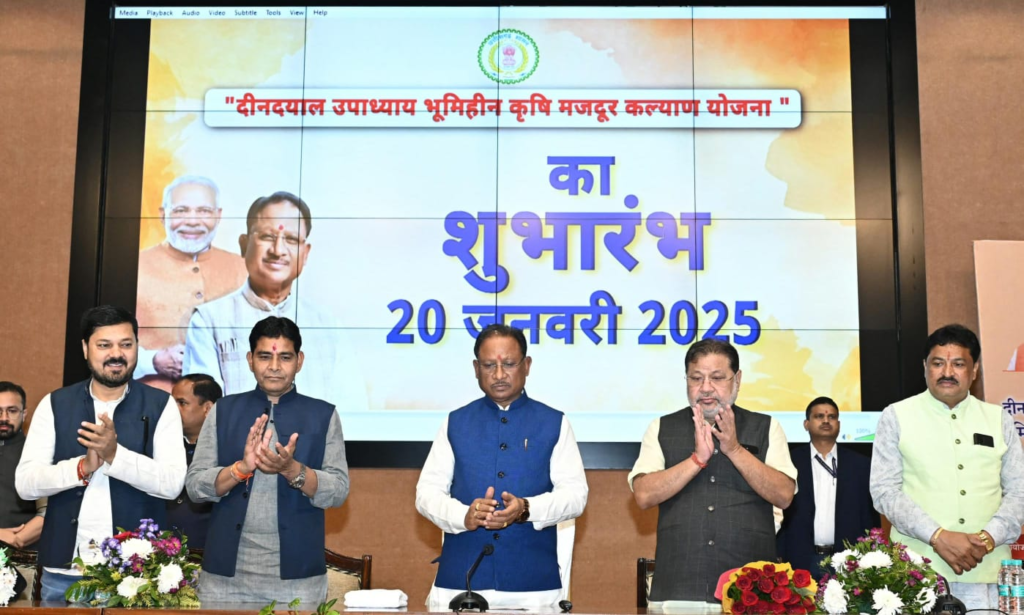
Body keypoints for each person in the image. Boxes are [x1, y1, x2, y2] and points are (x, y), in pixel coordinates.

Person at [16, 305, 186, 602]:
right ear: (85, 348)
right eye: (104, 345)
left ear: (137, 346)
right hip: (64, 573)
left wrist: (115, 456)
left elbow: (172, 484)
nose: (116, 354)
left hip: (136, 575)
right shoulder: (55, 404)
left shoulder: (162, 405)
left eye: (126, 344)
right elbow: (26, 484)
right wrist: (82, 467)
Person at [415, 324, 588, 610]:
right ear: (475, 369)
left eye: (508, 364)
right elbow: (426, 494)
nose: (498, 374)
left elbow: (575, 496)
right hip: (461, 584)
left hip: (533, 588)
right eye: (488, 365)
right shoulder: (455, 422)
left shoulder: (554, 422)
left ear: (527, 365)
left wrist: (526, 509)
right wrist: (464, 516)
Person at [185, 316, 349, 604]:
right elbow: (196, 487)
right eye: (264, 356)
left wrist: (293, 470)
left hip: (298, 580)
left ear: (299, 361)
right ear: (250, 360)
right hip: (225, 578)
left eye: (285, 357)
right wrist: (240, 469)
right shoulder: (223, 410)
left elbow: (338, 491)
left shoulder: (323, 415)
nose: (274, 366)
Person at [629, 338, 797, 603]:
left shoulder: (767, 427)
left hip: (751, 589)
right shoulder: (661, 428)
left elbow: (784, 495)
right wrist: (696, 460)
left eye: (717, 378)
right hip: (680, 585)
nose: (706, 388)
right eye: (696, 378)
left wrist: (735, 450)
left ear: (737, 379)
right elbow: (643, 495)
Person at [871, 324, 1024, 610]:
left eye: (958, 364)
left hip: (988, 573)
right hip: (917, 574)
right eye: (938, 363)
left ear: (974, 370)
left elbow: (1020, 492)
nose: (947, 372)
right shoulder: (896, 416)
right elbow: (884, 491)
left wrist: (986, 539)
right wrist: (938, 536)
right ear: (925, 367)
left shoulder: (998, 419)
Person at [182, 191, 367, 411]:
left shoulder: (329, 327)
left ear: (305, 253)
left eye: (291, 239)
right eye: (267, 237)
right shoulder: (208, 321)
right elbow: (204, 413)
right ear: (244, 244)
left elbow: (352, 411)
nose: (278, 251)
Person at [135, 175, 247, 391]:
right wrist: (153, 361)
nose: (193, 221)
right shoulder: (134, 266)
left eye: (204, 211)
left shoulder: (243, 269)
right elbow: (104, 342)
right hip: (151, 403)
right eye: (181, 210)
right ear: (162, 215)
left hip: (228, 405)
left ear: (218, 216)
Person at [776, 396, 878, 577]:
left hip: (848, 559)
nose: (826, 420)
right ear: (806, 424)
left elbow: (869, 514)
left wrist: (870, 553)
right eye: (819, 416)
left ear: (839, 424)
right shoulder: (789, 461)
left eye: (831, 417)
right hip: (799, 558)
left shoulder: (861, 464)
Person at [165, 374, 222, 549]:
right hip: (162, 553)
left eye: (181, 403)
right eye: (172, 402)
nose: (172, 410)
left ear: (208, 408)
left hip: (208, 552)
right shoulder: (163, 447)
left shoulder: (225, 452)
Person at [0, 381, 46, 550]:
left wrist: (16, 539)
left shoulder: (39, 453)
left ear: (24, 414)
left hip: (24, 554)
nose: (4, 418)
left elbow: (50, 511)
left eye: (12, 411)